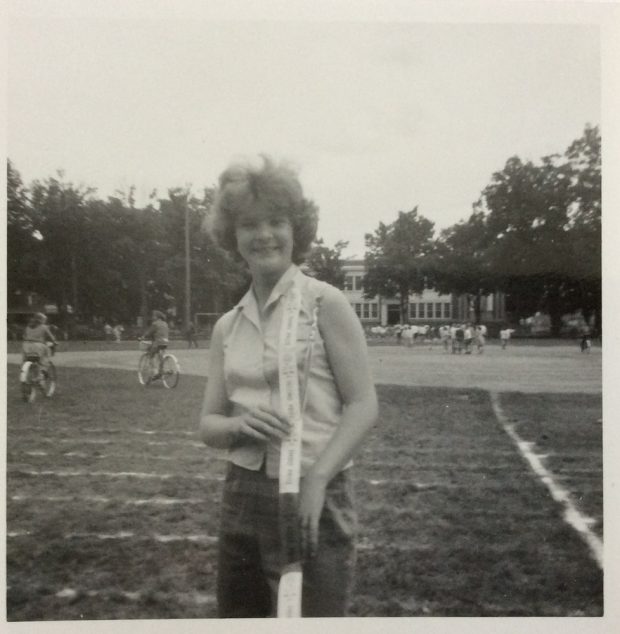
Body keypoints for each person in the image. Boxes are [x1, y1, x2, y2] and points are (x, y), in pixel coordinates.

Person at [199, 156, 378, 618]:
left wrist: (318, 478)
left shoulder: (325, 303)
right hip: (241, 495)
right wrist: (239, 424)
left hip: (314, 493)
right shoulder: (227, 326)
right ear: (231, 235)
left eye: (276, 221)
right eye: (249, 224)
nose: (264, 235)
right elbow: (209, 426)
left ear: (296, 228)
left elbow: (363, 405)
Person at [141, 310, 169, 378]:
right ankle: (162, 370)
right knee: (161, 356)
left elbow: (149, 332)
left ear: (157, 317)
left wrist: (142, 337)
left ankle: (155, 372)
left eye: (154, 316)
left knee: (151, 355)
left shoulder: (155, 324)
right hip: (165, 342)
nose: (153, 317)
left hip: (158, 342)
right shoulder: (165, 323)